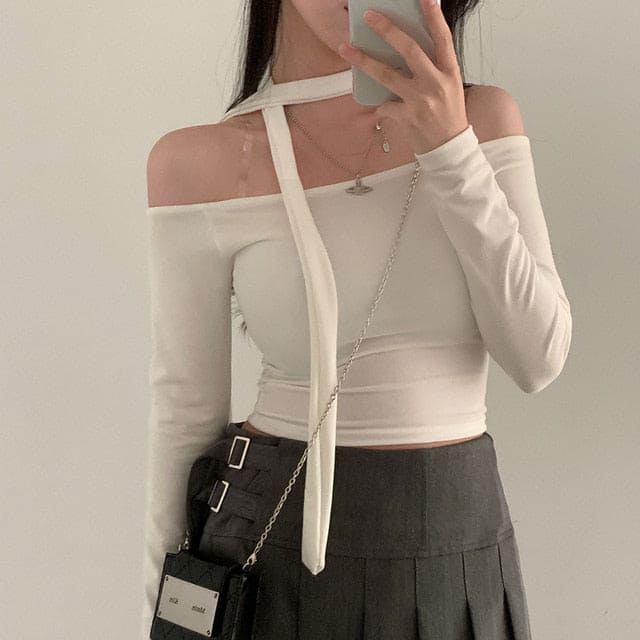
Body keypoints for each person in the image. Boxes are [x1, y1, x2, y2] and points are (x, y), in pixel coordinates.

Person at [141, 1, 572, 638]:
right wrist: (160, 618)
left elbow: (538, 359)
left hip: (459, 541)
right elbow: (184, 411)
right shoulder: (200, 161)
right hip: (270, 540)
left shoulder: (481, 121)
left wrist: (452, 153)